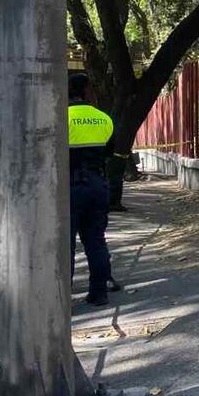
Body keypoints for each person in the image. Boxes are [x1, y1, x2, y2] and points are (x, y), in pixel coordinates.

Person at [68, 74, 117, 306]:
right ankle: (99, 293)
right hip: (97, 185)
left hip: (68, 188)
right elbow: (109, 152)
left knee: (64, 244)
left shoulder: (60, 118)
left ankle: (61, 298)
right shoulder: (103, 119)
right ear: (87, 89)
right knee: (96, 240)